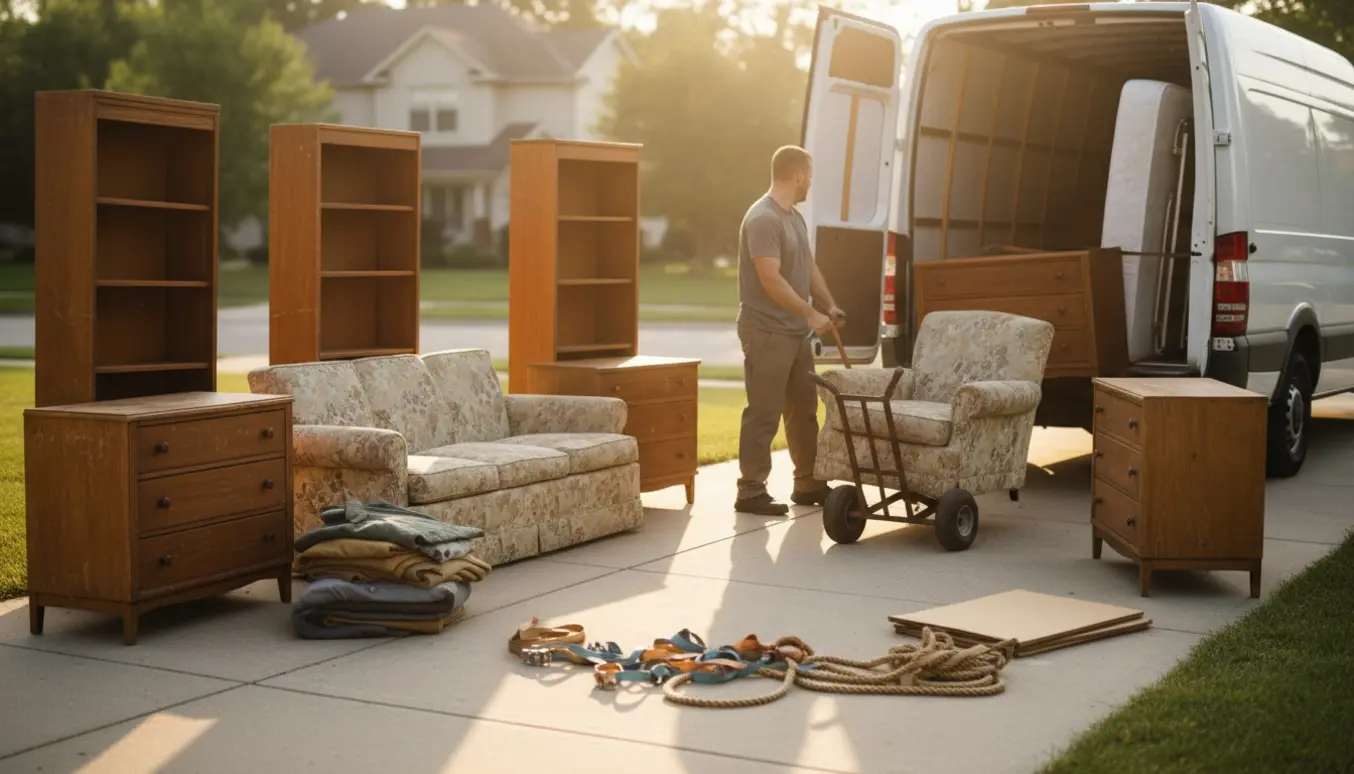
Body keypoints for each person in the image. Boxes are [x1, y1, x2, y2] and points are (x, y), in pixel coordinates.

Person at [733, 145, 845, 516]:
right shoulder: (763, 218)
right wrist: (810, 314)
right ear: (798, 174)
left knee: (803, 410)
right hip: (766, 332)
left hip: (795, 333)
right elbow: (770, 280)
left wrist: (827, 303)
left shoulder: (793, 218)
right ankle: (750, 491)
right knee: (764, 411)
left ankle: (808, 482)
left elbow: (808, 266)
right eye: (809, 175)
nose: (810, 182)